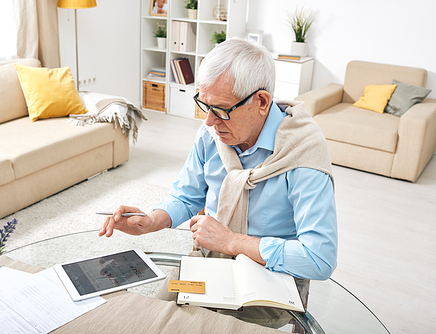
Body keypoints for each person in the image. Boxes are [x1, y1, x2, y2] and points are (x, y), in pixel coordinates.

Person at [99, 38, 337, 324]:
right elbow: (186, 196)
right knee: (152, 320)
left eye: (222, 109)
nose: (210, 122)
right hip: (206, 266)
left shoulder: (303, 152)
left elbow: (319, 258)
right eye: (204, 105)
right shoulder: (211, 134)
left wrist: (233, 242)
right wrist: (152, 220)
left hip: (270, 278)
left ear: (261, 102)